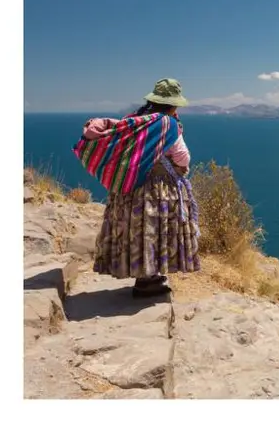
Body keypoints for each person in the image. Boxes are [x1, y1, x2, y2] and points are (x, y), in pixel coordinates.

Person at [80, 78, 200, 298]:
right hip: (154, 191)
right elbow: (182, 157)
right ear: (173, 104)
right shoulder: (167, 124)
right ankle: (148, 279)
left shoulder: (134, 120)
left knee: (132, 230)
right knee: (152, 230)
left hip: (128, 187)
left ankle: (140, 275)